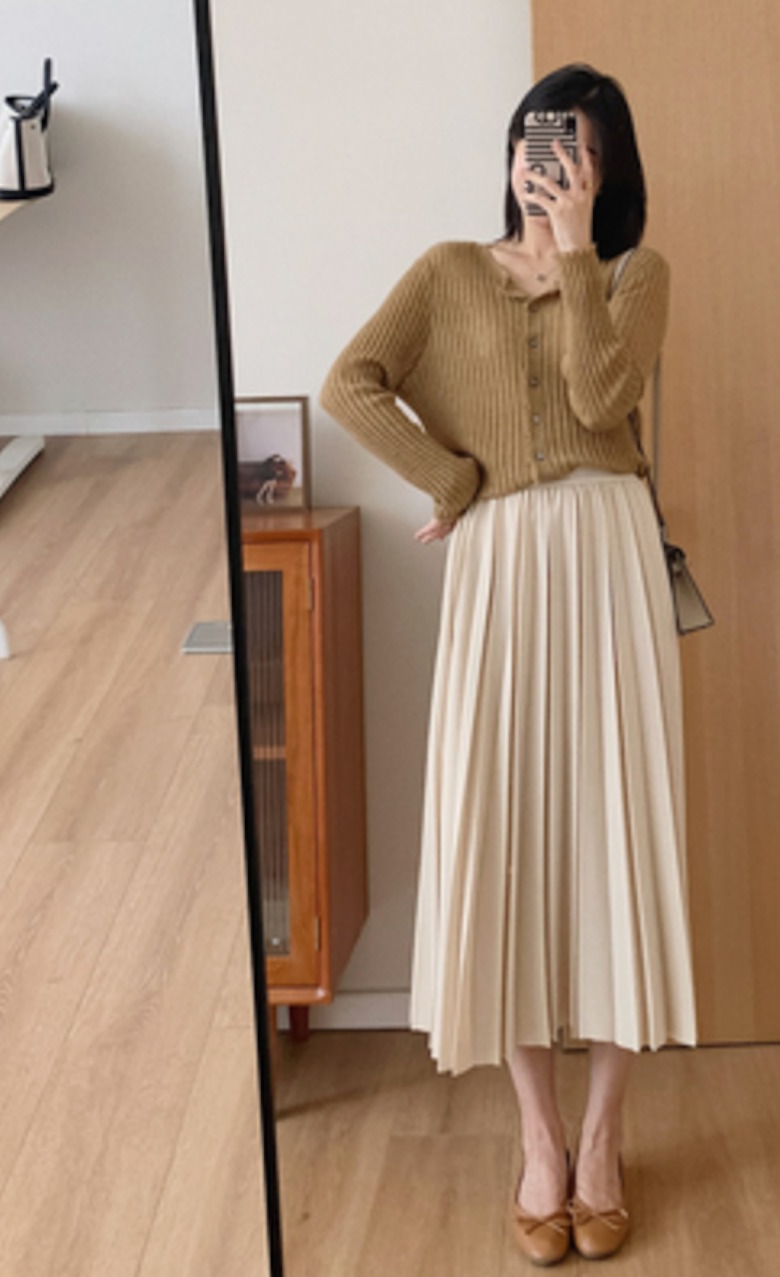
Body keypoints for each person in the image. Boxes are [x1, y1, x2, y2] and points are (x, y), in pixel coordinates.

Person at [320, 63, 697, 1265]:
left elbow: (600, 396)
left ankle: (603, 1137)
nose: (551, 169)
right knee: (504, 831)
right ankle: (537, 1137)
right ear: (509, 154)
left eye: (576, 153)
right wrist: (452, 480)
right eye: (539, 148)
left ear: (607, 168)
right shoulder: (445, 272)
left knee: (617, 832)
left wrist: (576, 253)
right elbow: (348, 385)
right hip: (499, 564)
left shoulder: (636, 276)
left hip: (608, 553)